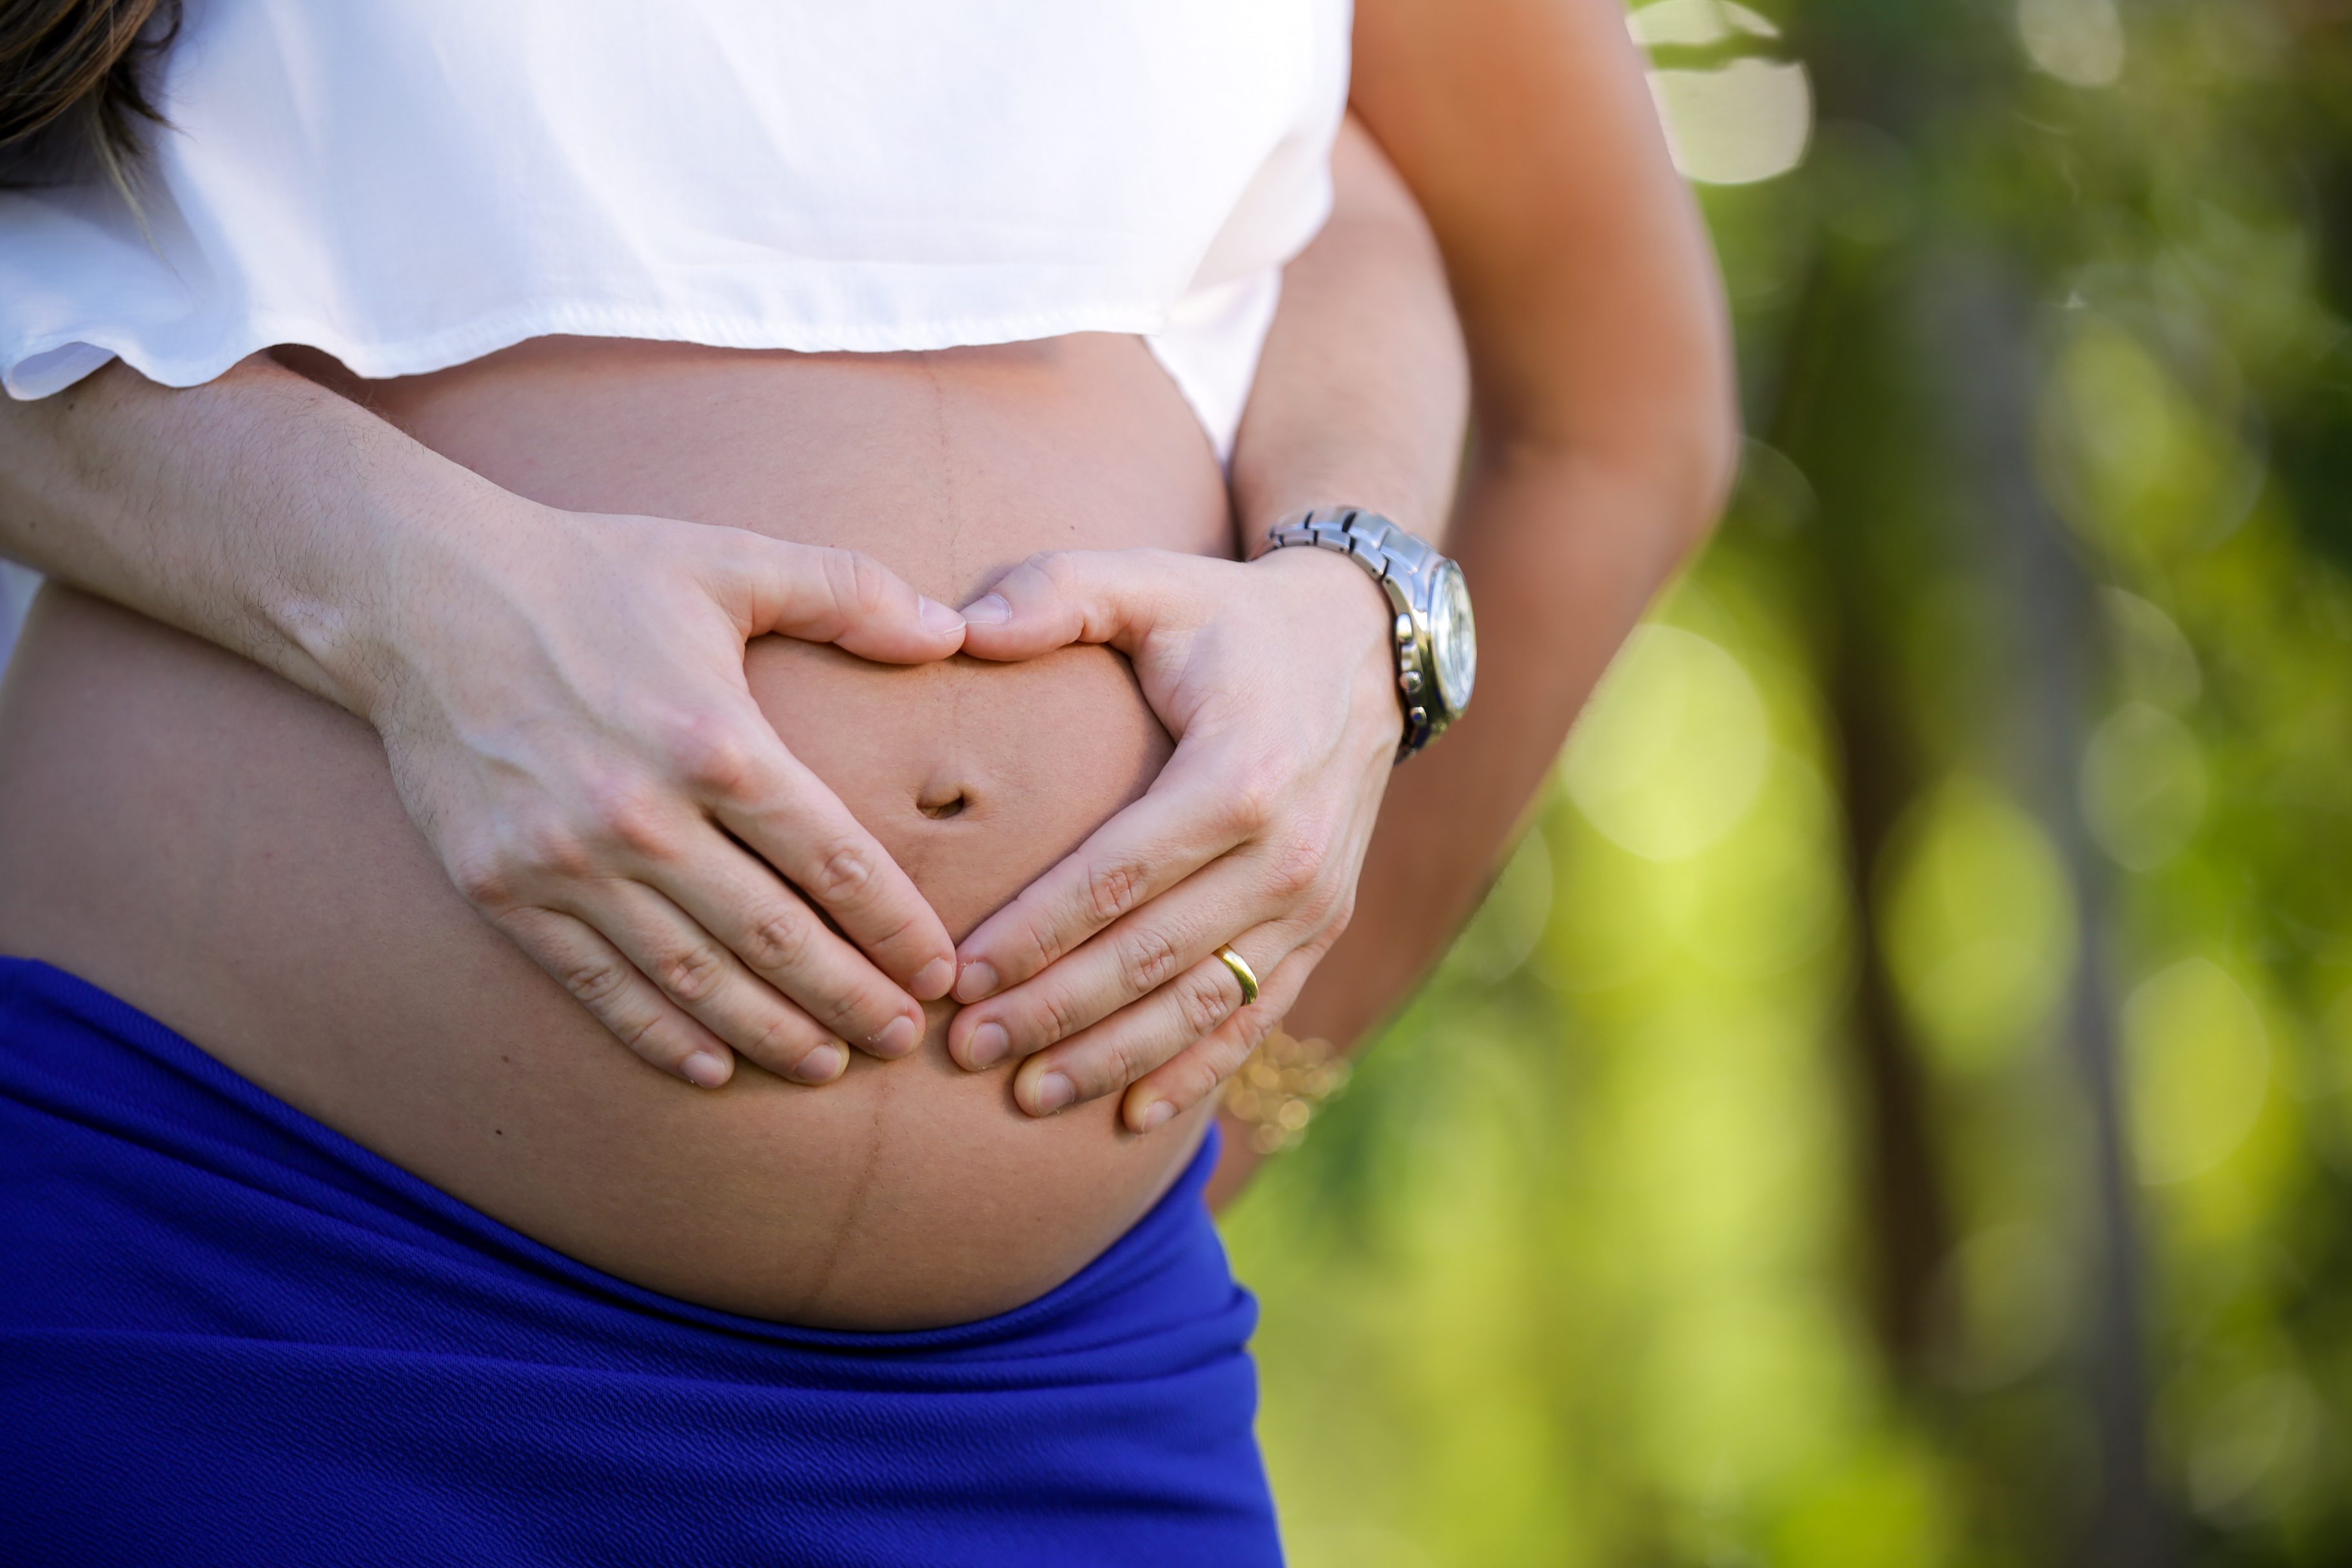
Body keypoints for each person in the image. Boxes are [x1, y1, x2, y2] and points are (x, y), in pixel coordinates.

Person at [0, 0, 1735, 1561]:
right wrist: (411, 603)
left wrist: (1349, 596)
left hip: (1073, 1382)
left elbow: (1330, 177)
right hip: (245, 1269)